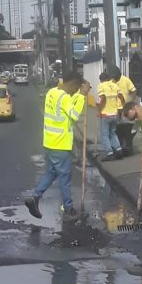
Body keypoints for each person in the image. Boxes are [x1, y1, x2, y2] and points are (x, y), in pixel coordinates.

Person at [25, 71, 87, 221]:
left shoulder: (52, 92)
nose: (75, 91)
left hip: (49, 142)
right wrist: (81, 96)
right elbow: (74, 115)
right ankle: (69, 209)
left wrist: (77, 94)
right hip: (61, 144)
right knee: (65, 177)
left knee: (52, 173)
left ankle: (35, 196)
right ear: (71, 83)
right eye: (75, 88)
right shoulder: (65, 98)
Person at [96, 71, 126, 161]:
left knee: (104, 135)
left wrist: (99, 111)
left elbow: (103, 98)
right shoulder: (115, 85)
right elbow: (121, 97)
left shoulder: (101, 86)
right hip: (115, 114)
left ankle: (109, 153)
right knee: (113, 133)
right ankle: (118, 149)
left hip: (105, 114)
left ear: (101, 80)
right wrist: (123, 108)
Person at [111, 67, 138, 155]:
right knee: (117, 129)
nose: (115, 78)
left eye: (116, 76)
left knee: (127, 129)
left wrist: (130, 102)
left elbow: (133, 91)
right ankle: (120, 147)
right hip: (115, 109)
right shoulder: (111, 82)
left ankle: (128, 147)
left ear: (120, 74)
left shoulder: (126, 80)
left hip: (125, 108)